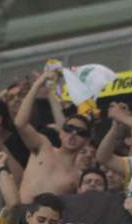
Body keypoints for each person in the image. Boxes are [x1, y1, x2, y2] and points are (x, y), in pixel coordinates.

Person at [14, 72, 90, 201]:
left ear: (86, 142)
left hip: (48, 214)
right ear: (61, 132)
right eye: (69, 129)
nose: (73, 134)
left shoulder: (78, 176)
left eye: (80, 132)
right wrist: (37, 85)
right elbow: (20, 123)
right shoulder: (43, 146)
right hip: (21, 211)